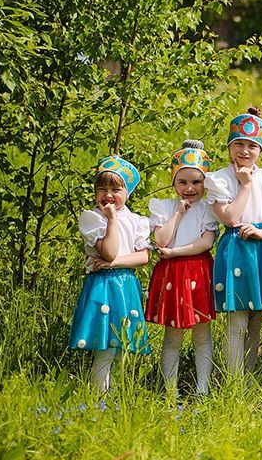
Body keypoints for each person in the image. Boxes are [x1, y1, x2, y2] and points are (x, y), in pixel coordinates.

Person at [206, 108, 262, 376]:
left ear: (260, 150)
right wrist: (246, 186)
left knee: (255, 321)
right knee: (237, 321)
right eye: (238, 144)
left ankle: (249, 376)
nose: (244, 151)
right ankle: (234, 378)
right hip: (237, 248)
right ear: (229, 147)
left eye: (252, 146)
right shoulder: (219, 179)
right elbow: (231, 218)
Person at [69, 155, 151, 391]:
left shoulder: (137, 221)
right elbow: (109, 251)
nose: (108, 195)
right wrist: (112, 220)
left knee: (121, 346)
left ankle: (115, 395)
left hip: (125, 285)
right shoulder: (93, 218)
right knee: (105, 345)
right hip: (103, 286)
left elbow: (143, 257)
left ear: (127, 193)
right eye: (102, 189)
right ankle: (100, 397)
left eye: (116, 189)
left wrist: (113, 264)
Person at [146, 140, 218, 395]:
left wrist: (175, 252)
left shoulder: (207, 209)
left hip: (198, 271)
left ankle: (203, 389)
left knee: (202, 333)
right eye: (182, 182)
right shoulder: (164, 207)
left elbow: (206, 243)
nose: (189, 188)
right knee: (173, 334)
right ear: (173, 182)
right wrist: (177, 213)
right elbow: (161, 239)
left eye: (196, 182)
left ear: (205, 183)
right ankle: (170, 390)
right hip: (173, 275)